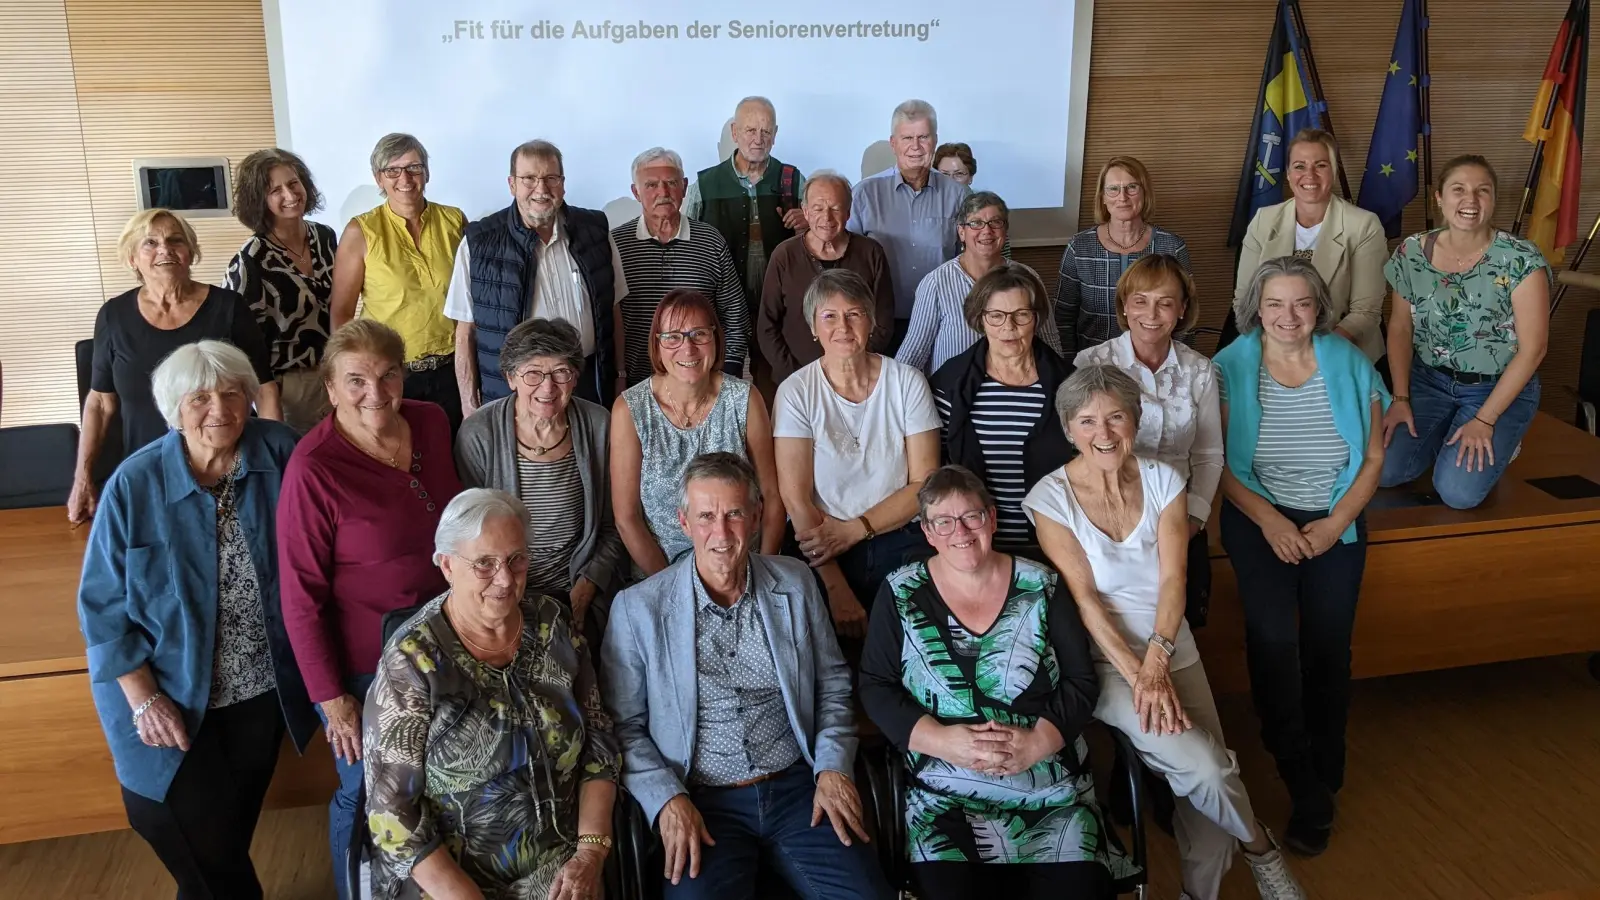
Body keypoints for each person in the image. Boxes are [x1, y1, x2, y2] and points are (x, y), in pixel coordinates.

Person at [1025, 365, 1308, 900]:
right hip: (1105, 663)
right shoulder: (1050, 498)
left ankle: (1198, 895)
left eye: (1115, 417)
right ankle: (1261, 850)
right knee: (1205, 768)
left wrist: (1158, 660)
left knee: (1206, 784)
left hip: (1170, 645)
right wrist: (1139, 676)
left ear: (1135, 420)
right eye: (1087, 421)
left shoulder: (1162, 479)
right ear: (1068, 429)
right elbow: (1084, 600)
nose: (1103, 433)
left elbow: (1174, 577)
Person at [78, 341, 317, 900]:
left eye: (233, 393)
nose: (221, 409)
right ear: (172, 406)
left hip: (259, 691)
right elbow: (100, 606)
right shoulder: (134, 485)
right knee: (190, 838)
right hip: (164, 698)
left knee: (221, 848)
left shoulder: (278, 451)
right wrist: (143, 698)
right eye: (201, 397)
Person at [600, 452, 893, 900]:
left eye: (734, 513)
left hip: (799, 788)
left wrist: (833, 767)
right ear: (684, 522)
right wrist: (666, 800)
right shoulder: (639, 609)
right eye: (706, 516)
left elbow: (833, 686)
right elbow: (625, 728)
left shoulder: (794, 583)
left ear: (756, 516)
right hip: (703, 800)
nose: (721, 532)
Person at [860, 466, 1123, 899]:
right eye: (943, 521)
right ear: (927, 532)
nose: (959, 532)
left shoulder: (1041, 585)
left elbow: (1080, 681)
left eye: (972, 517)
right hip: (945, 799)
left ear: (993, 519)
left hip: (1050, 790)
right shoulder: (901, 591)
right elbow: (875, 685)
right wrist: (943, 742)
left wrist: (1038, 742)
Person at [277, 319, 464, 900]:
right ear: (330, 388)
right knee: (365, 792)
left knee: (438, 783)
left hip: (448, 641)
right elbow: (299, 597)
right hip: (369, 670)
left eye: (388, 375)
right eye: (355, 380)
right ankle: (354, 889)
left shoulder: (431, 422)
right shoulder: (314, 469)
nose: (376, 393)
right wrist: (334, 703)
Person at [364, 488, 619, 900]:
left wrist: (590, 853)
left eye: (516, 559)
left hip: (562, 871)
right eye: (483, 563)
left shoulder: (553, 626)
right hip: (451, 882)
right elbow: (390, 812)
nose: (505, 579)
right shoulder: (412, 661)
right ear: (446, 566)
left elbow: (599, 740)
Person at [1214, 257, 1387, 857]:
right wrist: (1272, 522)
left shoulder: (1349, 362)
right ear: (1256, 310)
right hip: (1261, 518)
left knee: (1328, 645)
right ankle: (1300, 777)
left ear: (1319, 308)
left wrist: (1335, 523)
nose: (1289, 317)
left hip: (1335, 518)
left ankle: (1325, 757)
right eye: (1275, 305)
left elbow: (1370, 459)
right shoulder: (1229, 367)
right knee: (1273, 644)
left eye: (1302, 304)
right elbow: (1221, 468)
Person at [70, 209, 279, 523]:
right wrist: (82, 480)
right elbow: (100, 403)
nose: (164, 249)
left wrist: (273, 464)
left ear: (191, 252)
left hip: (225, 466)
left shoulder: (228, 308)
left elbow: (264, 390)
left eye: (175, 240)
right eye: (150, 243)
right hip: (148, 471)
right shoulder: (113, 316)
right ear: (132, 259)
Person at [773, 269, 942, 638]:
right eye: (829, 316)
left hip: (899, 536)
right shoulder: (796, 392)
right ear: (813, 327)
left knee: (914, 640)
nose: (843, 327)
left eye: (854, 314)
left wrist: (855, 530)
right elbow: (796, 499)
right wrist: (834, 585)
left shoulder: (907, 382)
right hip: (819, 543)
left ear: (871, 321)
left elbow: (924, 484)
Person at [1379, 154, 1550, 509]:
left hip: (1495, 388)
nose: (1470, 201)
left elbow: (1533, 349)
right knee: (1384, 472)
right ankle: (1449, 429)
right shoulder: (1412, 252)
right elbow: (1399, 327)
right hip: (1427, 381)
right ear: (1439, 198)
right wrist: (1399, 398)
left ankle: (1501, 437)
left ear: (1493, 200)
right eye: (1459, 189)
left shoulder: (1521, 259)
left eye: (1481, 191)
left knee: (1458, 494)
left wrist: (1485, 419)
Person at [455, 317, 627, 636]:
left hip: (580, 586)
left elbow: (613, 524)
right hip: (503, 590)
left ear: (575, 378)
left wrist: (587, 586)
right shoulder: (479, 434)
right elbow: (468, 538)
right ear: (510, 377)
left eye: (561, 372)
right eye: (533, 373)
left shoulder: (599, 425)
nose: (548, 388)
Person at [1075, 254, 1221, 626]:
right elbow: (1077, 450)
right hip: (1111, 526)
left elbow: (1208, 455)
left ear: (1182, 309)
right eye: (1140, 301)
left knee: (1181, 628)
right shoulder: (1091, 364)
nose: (1151, 314)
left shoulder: (1200, 370)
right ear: (1125, 306)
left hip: (1181, 522)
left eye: (1165, 303)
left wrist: (1191, 521)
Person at [445, 139, 627, 414]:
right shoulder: (478, 243)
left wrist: (620, 377)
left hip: (589, 383)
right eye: (529, 178)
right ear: (512, 184)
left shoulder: (597, 231)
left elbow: (613, 312)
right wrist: (470, 409)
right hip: (517, 391)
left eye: (551, 178)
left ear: (563, 183)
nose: (541, 189)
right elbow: (464, 334)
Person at [612, 290, 784, 575]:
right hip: (662, 571)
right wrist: (669, 587)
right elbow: (626, 517)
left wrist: (763, 573)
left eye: (699, 334)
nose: (688, 348)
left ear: (716, 339)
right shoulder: (630, 410)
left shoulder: (745, 399)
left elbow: (772, 498)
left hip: (743, 567)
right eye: (673, 337)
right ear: (657, 345)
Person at [929, 264, 1073, 553]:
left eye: (1021, 315)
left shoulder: (1069, 384)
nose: (1009, 327)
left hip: (1057, 543)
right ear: (980, 320)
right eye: (996, 316)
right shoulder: (950, 383)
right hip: (973, 545)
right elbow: (936, 471)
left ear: (1036, 319)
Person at [330, 133, 467, 432]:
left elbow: (470, 300)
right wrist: (351, 379)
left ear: (427, 172)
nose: (404, 178)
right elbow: (341, 314)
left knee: (455, 459)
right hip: (391, 377)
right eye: (392, 170)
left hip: (453, 371)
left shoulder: (455, 221)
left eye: (414, 167)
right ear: (379, 179)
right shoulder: (361, 231)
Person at [1233, 129, 1387, 363]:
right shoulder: (1264, 220)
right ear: (1287, 173)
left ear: (1334, 171)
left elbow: (1366, 312)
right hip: (1272, 353)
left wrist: (1313, 357)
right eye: (1299, 166)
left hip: (1343, 352)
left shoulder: (1363, 225)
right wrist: (1276, 352)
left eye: (1321, 165)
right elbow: (1244, 300)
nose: (1310, 175)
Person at [613, 147, 748, 388]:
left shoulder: (710, 241)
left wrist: (729, 373)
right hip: (637, 384)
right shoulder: (616, 244)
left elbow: (734, 313)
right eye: (651, 185)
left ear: (684, 187)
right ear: (636, 192)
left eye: (671, 183)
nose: (663, 192)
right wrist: (619, 376)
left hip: (701, 381)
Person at [684, 97, 809, 358]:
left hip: (780, 308)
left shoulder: (794, 179)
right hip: (719, 308)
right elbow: (689, 246)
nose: (758, 139)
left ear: (775, 135)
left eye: (766, 131)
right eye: (751, 130)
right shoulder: (705, 185)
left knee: (774, 380)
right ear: (734, 132)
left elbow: (820, 237)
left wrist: (806, 224)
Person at [225, 148, 337, 433]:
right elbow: (244, 343)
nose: (289, 194)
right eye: (275, 190)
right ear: (259, 201)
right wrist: (268, 401)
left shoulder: (324, 236)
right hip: (290, 387)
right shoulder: (251, 258)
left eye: (293, 183)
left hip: (335, 372)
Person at [848, 100, 970, 352]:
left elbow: (969, 260)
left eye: (923, 137)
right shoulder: (864, 194)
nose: (916, 147)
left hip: (944, 322)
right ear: (893, 143)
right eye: (907, 138)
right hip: (880, 325)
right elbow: (848, 265)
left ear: (935, 141)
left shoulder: (959, 196)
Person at [898, 192, 1061, 374]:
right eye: (975, 223)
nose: (987, 231)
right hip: (952, 395)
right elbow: (913, 353)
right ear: (961, 232)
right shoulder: (936, 283)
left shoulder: (1028, 277)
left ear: (1005, 230)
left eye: (995, 222)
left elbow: (1050, 343)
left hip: (1017, 389)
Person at [758, 171, 895, 384]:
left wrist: (852, 367)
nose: (827, 218)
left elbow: (883, 322)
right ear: (805, 211)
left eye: (835, 209)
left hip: (858, 379)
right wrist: (797, 377)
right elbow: (767, 326)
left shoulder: (871, 253)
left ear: (848, 213)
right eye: (818, 208)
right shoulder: (784, 255)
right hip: (795, 380)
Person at [1055, 156, 1192, 355]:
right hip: (1093, 364)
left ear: (1145, 193)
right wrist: (1068, 368)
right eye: (1113, 189)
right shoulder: (1080, 247)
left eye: (1132, 187)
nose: (1122, 197)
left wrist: (1174, 362)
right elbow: (1063, 318)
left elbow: (1184, 316)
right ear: (1102, 196)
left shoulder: (1172, 247)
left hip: (1155, 363)